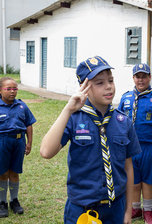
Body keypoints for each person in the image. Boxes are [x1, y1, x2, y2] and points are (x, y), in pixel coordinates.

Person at [40, 56, 141, 224]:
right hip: (81, 209)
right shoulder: (73, 119)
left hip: (115, 208)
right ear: (84, 88)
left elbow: (128, 168)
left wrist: (128, 211)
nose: (108, 86)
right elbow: (45, 151)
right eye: (99, 83)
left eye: (110, 80)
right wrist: (68, 110)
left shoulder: (123, 122)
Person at [118, 63, 152, 224]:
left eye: (144, 76)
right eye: (137, 76)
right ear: (133, 78)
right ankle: (136, 208)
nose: (141, 80)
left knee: (147, 180)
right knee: (133, 180)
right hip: (130, 148)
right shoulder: (126, 98)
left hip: (149, 147)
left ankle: (148, 211)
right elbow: (118, 121)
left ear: (149, 77)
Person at [0, 77, 36, 218]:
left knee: (14, 172)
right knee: (2, 173)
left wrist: (29, 143)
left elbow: (29, 124)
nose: (12, 92)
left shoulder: (22, 106)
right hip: (2, 142)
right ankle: (2, 202)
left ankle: (14, 200)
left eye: (15, 88)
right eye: (8, 89)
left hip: (18, 142)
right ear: (1, 90)